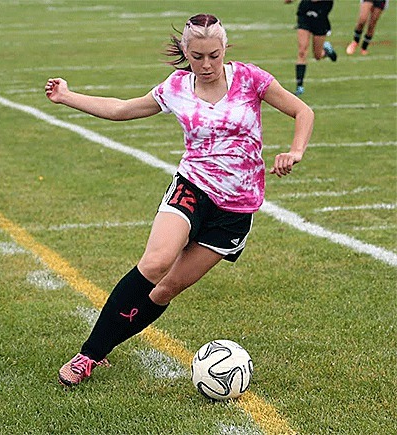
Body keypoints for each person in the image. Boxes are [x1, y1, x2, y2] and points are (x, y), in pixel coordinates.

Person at [45, 13, 314, 387]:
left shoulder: (252, 79)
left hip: (236, 209)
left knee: (166, 288)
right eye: (197, 56)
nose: (206, 65)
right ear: (185, 51)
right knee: (155, 262)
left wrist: (295, 151)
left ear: (225, 50)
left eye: (214, 56)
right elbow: (124, 109)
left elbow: (303, 111)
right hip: (193, 186)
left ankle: (103, 347)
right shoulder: (176, 87)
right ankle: (87, 355)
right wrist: (67, 96)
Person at [284, 0, 337, 96]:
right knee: (302, 51)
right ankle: (299, 86)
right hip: (305, 13)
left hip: (321, 15)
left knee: (317, 55)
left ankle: (326, 52)